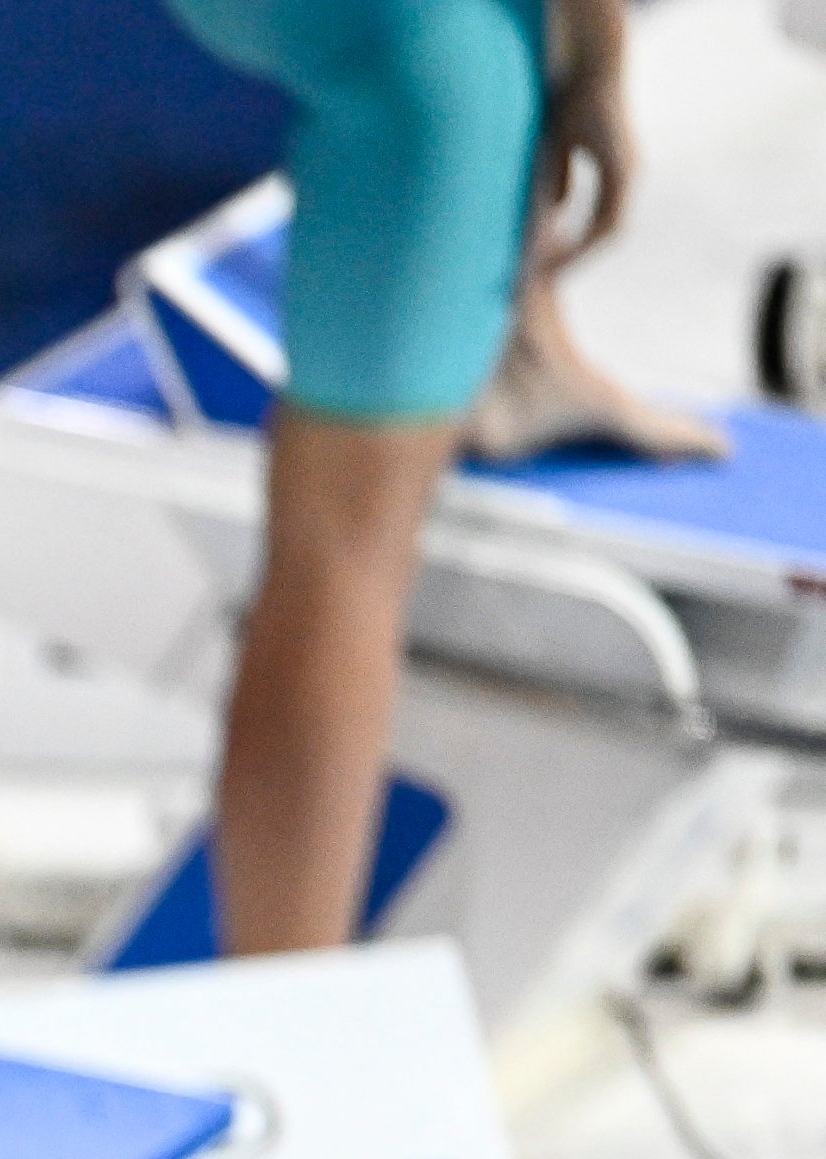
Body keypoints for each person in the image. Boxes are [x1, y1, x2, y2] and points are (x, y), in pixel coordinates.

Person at [163, 0, 721, 954]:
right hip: (407, 46)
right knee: (338, 560)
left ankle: (521, 348)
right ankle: (284, 1021)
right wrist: (597, 58)